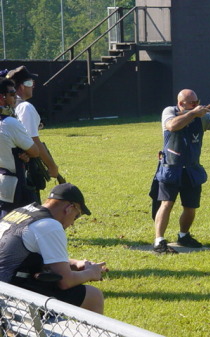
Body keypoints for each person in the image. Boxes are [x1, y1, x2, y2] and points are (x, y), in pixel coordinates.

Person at [150, 89, 210, 254]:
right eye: (193, 103)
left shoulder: (203, 116)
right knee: (166, 204)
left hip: (192, 169)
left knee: (190, 206)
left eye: (197, 101)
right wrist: (194, 113)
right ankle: (159, 241)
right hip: (171, 168)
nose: (197, 105)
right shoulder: (170, 111)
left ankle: (184, 236)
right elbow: (172, 126)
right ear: (181, 104)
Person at [0, 183, 107, 314]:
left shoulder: (22, 211)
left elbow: (26, 254)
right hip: (10, 296)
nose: (73, 222)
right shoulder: (49, 225)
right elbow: (66, 281)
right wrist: (91, 273)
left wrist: (74, 263)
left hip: (5, 287)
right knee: (93, 296)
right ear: (69, 208)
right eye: (77, 215)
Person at [7, 66, 59, 202]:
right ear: (22, 86)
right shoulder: (25, 107)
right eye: (30, 83)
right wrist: (52, 166)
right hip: (24, 169)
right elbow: (33, 142)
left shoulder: (9, 108)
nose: (33, 86)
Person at [0, 77, 40, 218]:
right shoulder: (9, 123)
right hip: (14, 184)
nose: (15, 97)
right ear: (1, 97)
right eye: (11, 94)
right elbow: (35, 151)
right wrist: (24, 152)